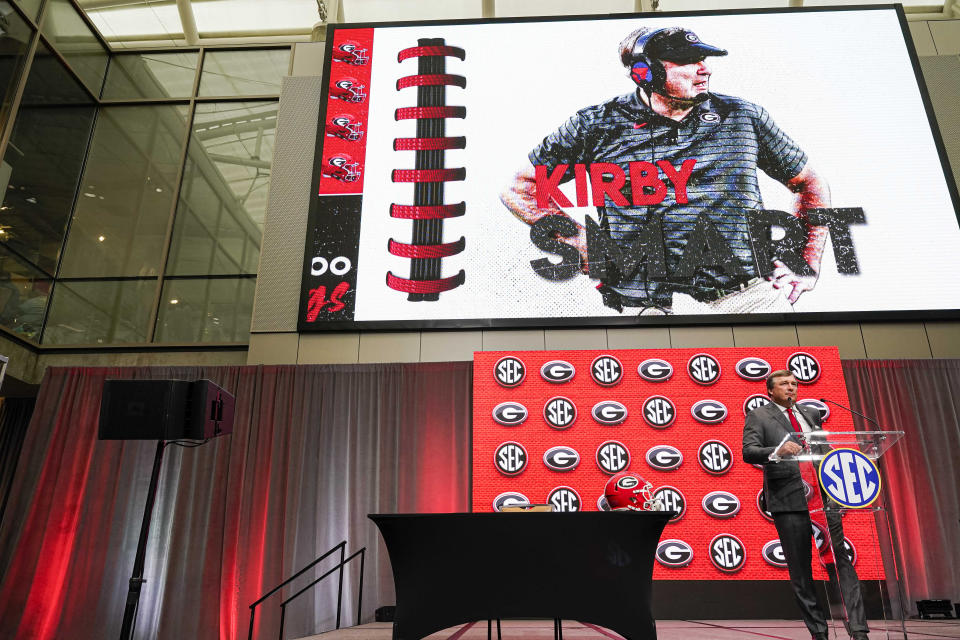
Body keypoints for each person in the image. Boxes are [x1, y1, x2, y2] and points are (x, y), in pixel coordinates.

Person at [500, 26, 830, 314]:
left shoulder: (742, 116)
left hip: (748, 298)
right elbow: (520, 187)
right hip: (647, 306)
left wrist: (806, 260)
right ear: (646, 72)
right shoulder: (594, 125)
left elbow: (808, 184)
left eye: (704, 60)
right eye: (689, 61)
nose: (705, 71)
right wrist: (577, 238)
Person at [742, 370, 868, 640]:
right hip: (788, 499)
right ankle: (819, 631)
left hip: (824, 498)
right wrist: (777, 451)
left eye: (794, 384)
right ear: (770, 391)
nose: (791, 388)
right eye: (785, 384)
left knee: (840, 561)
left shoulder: (811, 414)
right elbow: (748, 451)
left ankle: (858, 630)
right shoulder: (760, 416)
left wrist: (852, 466)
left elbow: (824, 451)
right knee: (801, 569)